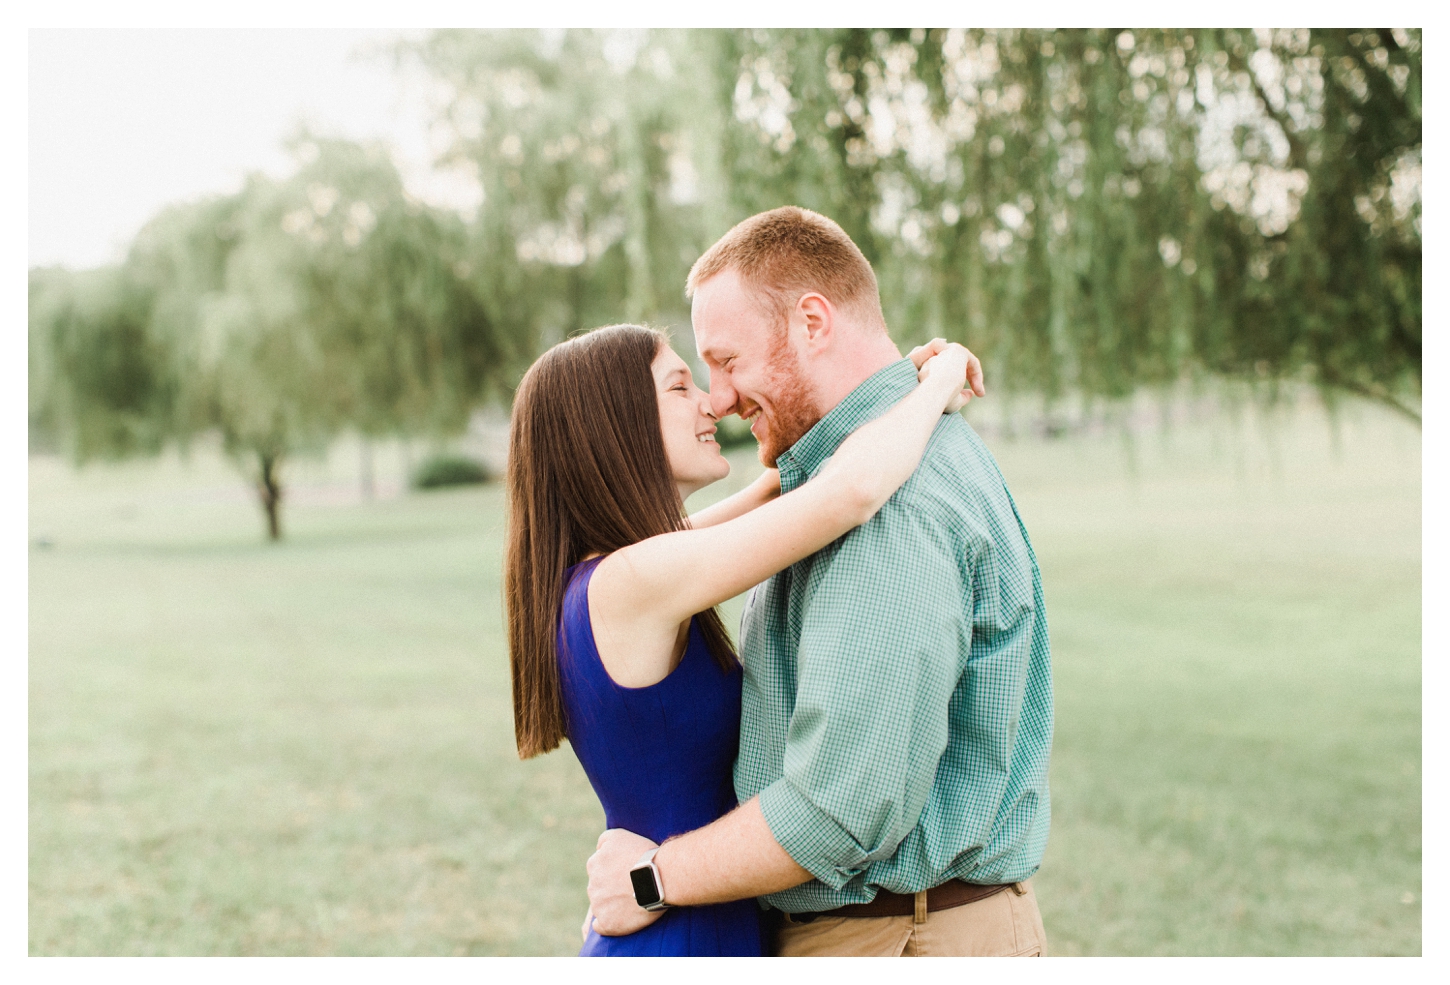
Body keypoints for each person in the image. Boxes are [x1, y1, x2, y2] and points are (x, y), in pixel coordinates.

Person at [585, 207, 1053, 957]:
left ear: (811, 322)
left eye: (727, 360)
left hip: (898, 941)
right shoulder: (830, 481)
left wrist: (652, 877)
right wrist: (925, 383)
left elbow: (837, 810)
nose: (720, 398)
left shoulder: (892, 511)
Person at [504, 321, 981, 956]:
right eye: (679, 386)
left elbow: (783, 486)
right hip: (686, 935)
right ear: (613, 425)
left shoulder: (612, 575)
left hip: (686, 921)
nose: (710, 401)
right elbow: (849, 494)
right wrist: (939, 383)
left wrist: (891, 384)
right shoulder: (632, 581)